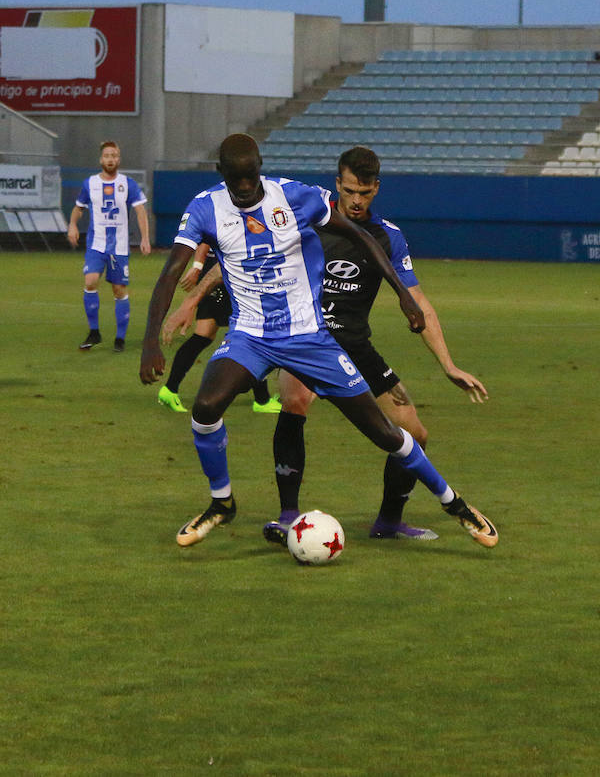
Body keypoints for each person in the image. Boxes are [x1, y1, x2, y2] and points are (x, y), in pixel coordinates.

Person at [139, 133, 498, 552]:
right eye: (235, 180)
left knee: (389, 432)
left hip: (315, 339)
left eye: (250, 178)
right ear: (222, 175)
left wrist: (403, 297)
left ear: (260, 169)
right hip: (251, 335)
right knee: (208, 406)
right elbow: (183, 271)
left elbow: (365, 238)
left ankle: (454, 504)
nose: (244, 188)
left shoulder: (297, 199)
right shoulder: (205, 208)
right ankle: (225, 503)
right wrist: (157, 334)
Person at [158, 241, 281, 414]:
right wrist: (197, 266)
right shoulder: (229, 217)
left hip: (217, 272)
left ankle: (170, 389)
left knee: (203, 336)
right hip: (227, 276)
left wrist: (198, 268)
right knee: (252, 334)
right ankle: (262, 400)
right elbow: (205, 242)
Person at [67, 140, 151, 351]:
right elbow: (79, 208)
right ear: (101, 159)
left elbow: (140, 211)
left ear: (118, 159)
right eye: (107, 156)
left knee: (118, 289)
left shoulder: (128, 184)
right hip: (97, 244)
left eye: (114, 156)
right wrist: (72, 225)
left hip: (119, 246)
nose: (110, 159)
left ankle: (120, 338)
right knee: (91, 280)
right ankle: (94, 332)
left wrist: (145, 238)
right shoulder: (90, 183)